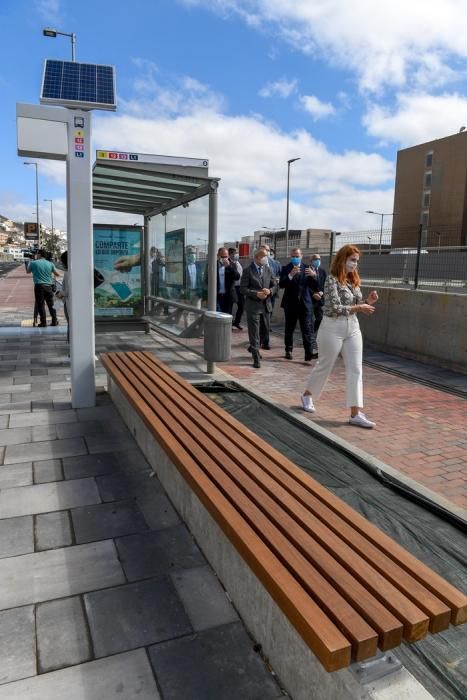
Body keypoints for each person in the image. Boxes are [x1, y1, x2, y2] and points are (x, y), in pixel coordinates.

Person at [300, 244, 379, 428]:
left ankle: (355, 413)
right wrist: (360, 307)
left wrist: (368, 302)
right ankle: (307, 395)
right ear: (342, 259)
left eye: (356, 261)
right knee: (325, 366)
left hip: (352, 327)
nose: (354, 264)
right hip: (332, 327)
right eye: (352, 260)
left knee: (356, 369)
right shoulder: (331, 280)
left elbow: (357, 304)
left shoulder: (354, 280)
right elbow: (334, 308)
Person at [279, 247, 318, 362]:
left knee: (307, 329)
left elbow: (315, 286)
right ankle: (288, 350)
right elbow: (281, 284)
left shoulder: (308, 268)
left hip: (305, 304)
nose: (295, 258)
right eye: (293, 256)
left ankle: (309, 353)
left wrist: (314, 276)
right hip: (290, 304)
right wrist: (290, 275)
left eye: (297, 256)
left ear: (301, 256)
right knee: (289, 328)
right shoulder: (286, 268)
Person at [240, 248, 276, 368]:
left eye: (267, 255)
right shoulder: (247, 271)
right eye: (264, 256)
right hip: (253, 306)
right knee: (254, 333)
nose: (267, 258)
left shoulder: (268, 269)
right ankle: (256, 358)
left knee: (265, 331)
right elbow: (243, 289)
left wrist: (270, 291)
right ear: (257, 257)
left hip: (266, 306)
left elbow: (275, 285)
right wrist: (256, 294)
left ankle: (253, 348)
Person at [26, 248, 60, 327]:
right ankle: (54, 321)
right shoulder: (50, 263)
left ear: (39, 254)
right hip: (49, 286)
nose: (36, 255)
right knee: (51, 304)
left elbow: (27, 271)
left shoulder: (34, 263)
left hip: (39, 286)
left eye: (37, 254)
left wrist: (30, 262)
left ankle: (43, 322)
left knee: (41, 305)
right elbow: (57, 274)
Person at [216, 247, 240, 314]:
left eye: (226, 256)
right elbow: (207, 279)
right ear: (218, 255)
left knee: (228, 316)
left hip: (228, 296)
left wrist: (229, 266)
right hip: (217, 296)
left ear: (228, 256)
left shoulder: (232, 264)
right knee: (217, 317)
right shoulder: (214, 265)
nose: (224, 258)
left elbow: (237, 277)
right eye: (222, 256)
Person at [309, 253, 327, 333]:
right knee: (309, 320)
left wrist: (322, 292)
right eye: (315, 259)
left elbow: (325, 284)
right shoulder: (307, 270)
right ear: (311, 261)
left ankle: (312, 333)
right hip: (309, 299)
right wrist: (313, 294)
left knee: (320, 318)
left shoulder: (322, 271)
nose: (317, 261)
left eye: (319, 259)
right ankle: (309, 338)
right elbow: (305, 285)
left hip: (319, 300)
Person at [229, 247, 244, 329]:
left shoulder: (238, 263)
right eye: (235, 253)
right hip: (232, 287)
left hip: (239, 287)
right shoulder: (229, 263)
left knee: (242, 305)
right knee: (230, 306)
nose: (237, 254)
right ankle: (229, 323)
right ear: (231, 254)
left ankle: (236, 322)